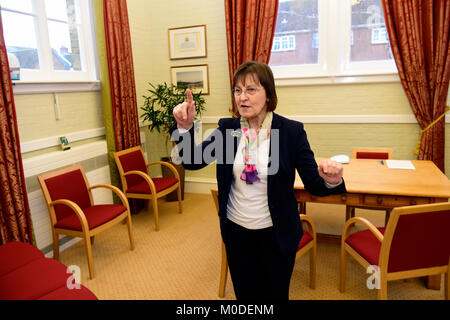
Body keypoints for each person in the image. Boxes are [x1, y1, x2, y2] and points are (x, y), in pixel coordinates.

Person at [170, 61, 346, 300]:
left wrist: (332, 180)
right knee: (245, 296)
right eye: (238, 90)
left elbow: (314, 183)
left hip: (276, 235)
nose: (242, 97)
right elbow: (191, 161)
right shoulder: (227, 130)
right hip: (236, 233)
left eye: (251, 89)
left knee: (275, 296)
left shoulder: (291, 132)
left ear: (268, 95)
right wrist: (184, 127)